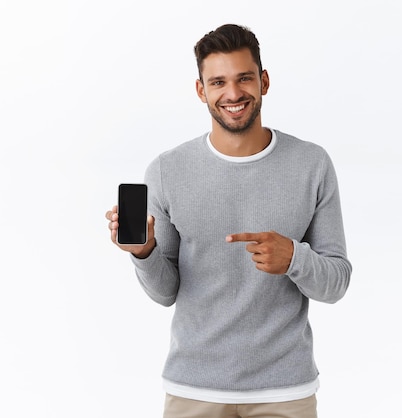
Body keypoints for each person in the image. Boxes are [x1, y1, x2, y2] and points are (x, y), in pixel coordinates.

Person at [105, 23, 351, 418]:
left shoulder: (312, 164)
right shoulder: (168, 170)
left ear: (264, 81)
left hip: (285, 390)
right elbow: (166, 293)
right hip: (192, 387)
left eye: (244, 79)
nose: (233, 94)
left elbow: (337, 282)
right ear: (202, 90)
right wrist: (144, 252)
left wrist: (293, 258)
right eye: (218, 82)